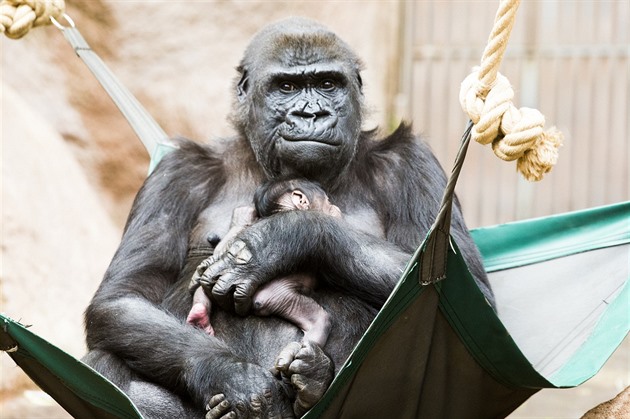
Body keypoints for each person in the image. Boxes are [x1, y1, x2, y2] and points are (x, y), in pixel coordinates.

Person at [187, 178, 341, 346]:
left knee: (211, 274)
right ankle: (304, 351)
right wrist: (333, 212)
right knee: (320, 321)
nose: (331, 206)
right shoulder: (320, 221)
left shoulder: (256, 228)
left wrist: (237, 227)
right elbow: (337, 241)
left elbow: (220, 257)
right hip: (281, 292)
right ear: (301, 200)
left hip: (235, 281)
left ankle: (200, 306)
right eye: (327, 201)